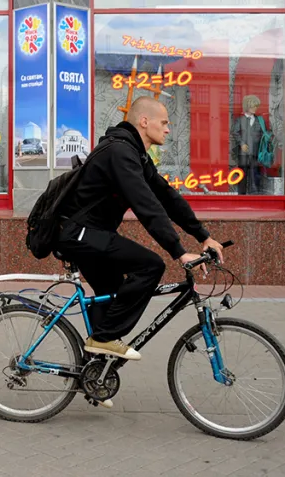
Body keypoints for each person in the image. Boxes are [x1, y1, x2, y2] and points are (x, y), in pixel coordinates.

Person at [55, 96, 224, 364]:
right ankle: (103, 339)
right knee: (150, 266)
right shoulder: (119, 153)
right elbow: (146, 206)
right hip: (78, 233)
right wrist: (179, 252)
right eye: (164, 122)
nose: (169, 129)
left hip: (92, 233)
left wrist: (203, 236)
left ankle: (94, 372)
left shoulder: (135, 154)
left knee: (111, 292)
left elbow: (166, 197)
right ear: (144, 122)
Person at [229, 95, 265, 195]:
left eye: (256, 106)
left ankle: (255, 192)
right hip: (243, 152)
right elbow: (235, 132)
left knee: (254, 172)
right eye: (253, 106)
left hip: (255, 150)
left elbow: (263, 134)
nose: (255, 108)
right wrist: (241, 144)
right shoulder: (240, 119)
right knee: (243, 173)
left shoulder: (259, 120)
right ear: (247, 106)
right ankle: (242, 193)